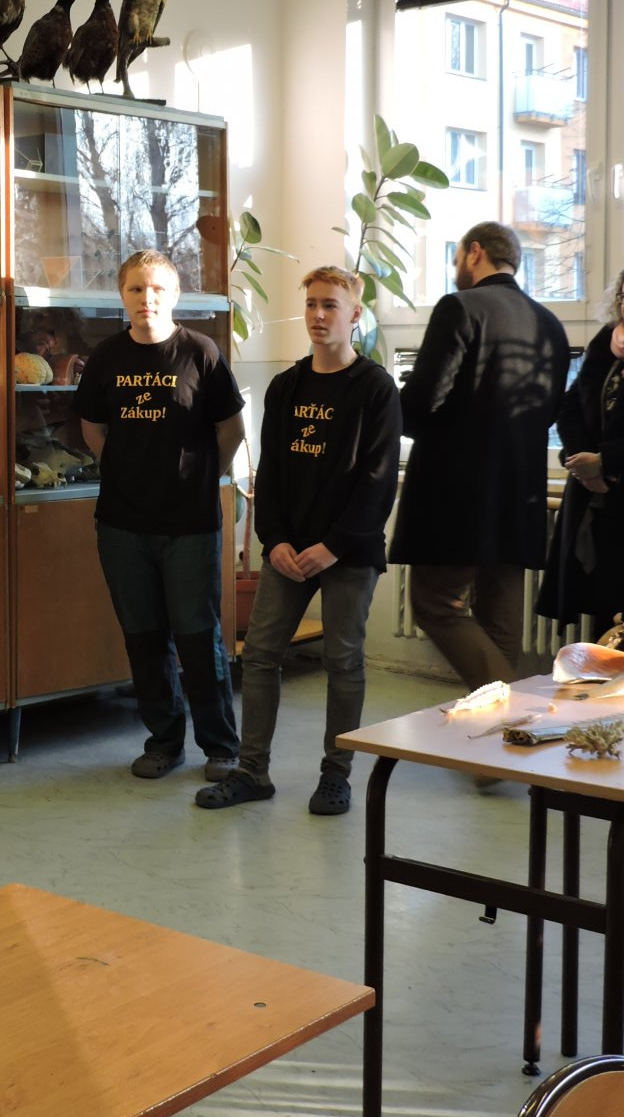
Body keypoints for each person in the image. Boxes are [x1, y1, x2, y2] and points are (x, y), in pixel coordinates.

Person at [196, 266, 402, 817]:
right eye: (311, 303)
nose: (318, 314)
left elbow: (379, 481)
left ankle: (336, 775)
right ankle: (252, 771)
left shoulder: (375, 388)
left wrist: (333, 546)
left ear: (354, 314)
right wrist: (275, 540)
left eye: (330, 305)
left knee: (343, 660)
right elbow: (272, 473)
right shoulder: (286, 386)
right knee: (260, 656)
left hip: (347, 552)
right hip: (288, 551)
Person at [73, 248, 245, 781]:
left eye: (157, 289)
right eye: (135, 289)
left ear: (174, 295)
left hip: (189, 523)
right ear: (122, 296)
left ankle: (220, 746)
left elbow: (231, 429)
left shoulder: (201, 352)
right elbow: (92, 428)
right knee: (144, 637)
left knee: (198, 636)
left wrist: (200, 478)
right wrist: (128, 471)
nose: (146, 298)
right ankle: (163, 743)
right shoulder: (107, 357)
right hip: (123, 523)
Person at [390, 220, 570, 691]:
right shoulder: (550, 325)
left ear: (474, 252)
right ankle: (499, 735)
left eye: (456, 260)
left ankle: (516, 714)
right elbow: (551, 410)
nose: (456, 270)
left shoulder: (460, 307)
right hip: (521, 497)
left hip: (456, 497)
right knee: (500, 624)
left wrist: (397, 411)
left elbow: (425, 399)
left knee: (436, 604)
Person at [538, 267, 624, 640]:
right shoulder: (607, 341)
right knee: (606, 618)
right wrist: (583, 464)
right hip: (597, 500)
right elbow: (570, 406)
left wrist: (606, 462)